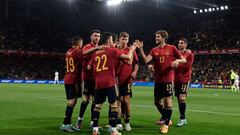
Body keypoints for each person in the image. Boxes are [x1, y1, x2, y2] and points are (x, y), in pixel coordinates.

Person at [88, 32, 140, 135]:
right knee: (114, 105)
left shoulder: (96, 53)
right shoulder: (112, 50)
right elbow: (129, 57)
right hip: (110, 81)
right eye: (112, 40)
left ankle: (95, 129)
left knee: (97, 105)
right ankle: (113, 129)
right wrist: (133, 48)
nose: (113, 42)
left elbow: (91, 69)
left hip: (98, 82)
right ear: (108, 41)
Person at [138, 30, 186, 134]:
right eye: (156, 36)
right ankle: (166, 117)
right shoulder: (154, 50)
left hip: (168, 79)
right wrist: (141, 50)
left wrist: (177, 61)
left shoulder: (172, 48)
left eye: (158, 36)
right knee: (156, 102)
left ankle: (166, 124)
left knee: (168, 102)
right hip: (158, 80)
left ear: (164, 38)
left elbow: (184, 60)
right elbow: (147, 60)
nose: (156, 38)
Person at [75, 30, 101, 130]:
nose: (97, 38)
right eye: (95, 36)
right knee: (86, 100)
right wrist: (96, 49)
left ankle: (92, 122)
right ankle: (80, 119)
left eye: (98, 36)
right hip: (87, 78)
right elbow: (83, 55)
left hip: (97, 78)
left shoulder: (100, 48)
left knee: (95, 101)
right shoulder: (86, 47)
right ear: (91, 37)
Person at [116, 32, 139, 131]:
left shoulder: (131, 50)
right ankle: (118, 122)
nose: (124, 41)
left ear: (128, 40)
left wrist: (134, 71)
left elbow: (136, 63)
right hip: (115, 80)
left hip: (126, 80)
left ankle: (127, 122)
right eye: (123, 39)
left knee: (126, 101)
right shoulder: (115, 49)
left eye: (126, 39)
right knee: (117, 102)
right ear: (119, 39)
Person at [60, 36, 84, 132]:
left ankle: (66, 123)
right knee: (72, 101)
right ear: (79, 43)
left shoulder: (68, 51)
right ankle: (66, 124)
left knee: (72, 101)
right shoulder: (77, 51)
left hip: (67, 78)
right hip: (74, 79)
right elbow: (85, 54)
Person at [174, 38, 194, 127]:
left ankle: (181, 119)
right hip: (176, 80)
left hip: (185, 79)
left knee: (182, 98)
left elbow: (187, 67)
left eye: (181, 43)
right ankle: (183, 118)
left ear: (185, 44)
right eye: (178, 43)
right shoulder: (176, 54)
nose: (179, 44)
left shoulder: (190, 54)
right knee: (179, 99)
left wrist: (176, 63)